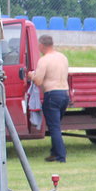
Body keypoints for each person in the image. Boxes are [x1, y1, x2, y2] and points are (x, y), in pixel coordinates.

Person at [27, 34, 69, 162]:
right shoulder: (62, 57)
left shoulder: (44, 60)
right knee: (56, 125)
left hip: (52, 94)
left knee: (54, 127)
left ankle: (61, 156)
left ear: (41, 45)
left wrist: (31, 76)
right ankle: (54, 152)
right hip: (64, 94)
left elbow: (38, 81)